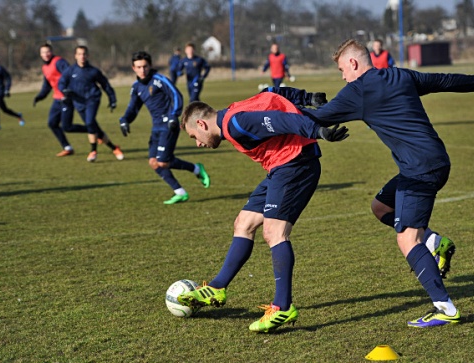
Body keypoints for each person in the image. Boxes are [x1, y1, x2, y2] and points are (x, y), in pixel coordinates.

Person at [268, 39, 474, 328]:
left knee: (407, 238)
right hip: (431, 162)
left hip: (420, 170)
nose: (343, 77)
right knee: (381, 207)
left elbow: (314, 117)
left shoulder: (358, 91)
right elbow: (443, 80)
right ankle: (435, 242)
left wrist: (272, 112)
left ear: (354, 64)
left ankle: (445, 308)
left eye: (343, 70)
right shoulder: (400, 75)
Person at [178, 91, 347, 333]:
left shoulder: (236, 124)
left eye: (195, 136)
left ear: (202, 124)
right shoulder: (233, 113)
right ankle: (216, 287)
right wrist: (307, 96)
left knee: (274, 231)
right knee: (243, 223)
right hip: (279, 167)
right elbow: (271, 93)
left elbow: (281, 122)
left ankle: (282, 307)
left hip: (296, 164)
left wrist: (318, 131)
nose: (198, 143)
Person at [119, 51, 210, 204]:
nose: (143, 70)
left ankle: (196, 169)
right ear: (133, 68)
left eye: (145, 66)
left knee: (162, 162)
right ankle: (180, 191)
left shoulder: (159, 80)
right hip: (156, 128)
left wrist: (174, 115)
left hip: (169, 125)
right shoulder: (136, 87)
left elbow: (176, 95)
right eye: (139, 67)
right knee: (154, 162)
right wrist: (125, 120)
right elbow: (133, 108)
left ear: (150, 66)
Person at [58, 45, 124, 162]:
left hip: (92, 100)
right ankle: (114, 148)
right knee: (93, 127)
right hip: (78, 102)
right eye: (79, 54)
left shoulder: (93, 71)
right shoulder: (70, 71)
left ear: (87, 56)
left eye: (84, 54)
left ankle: (93, 151)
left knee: (89, 123)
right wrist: (64, 90)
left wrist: (112, 99)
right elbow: (62, 82)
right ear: (75, 56)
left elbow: (105, 84)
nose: (82, 56)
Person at [33, 43, 89, 157]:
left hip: (66, 98)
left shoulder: (59, 62)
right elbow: (47, 85)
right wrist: (40, 96)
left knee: (66, 127)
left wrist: (68, 90)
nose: (46, 54)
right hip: (57, 99)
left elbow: (70, 74)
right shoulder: (44, 67)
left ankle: (93, 130)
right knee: (52, 123)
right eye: (43, 52)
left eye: (48, 51)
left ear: (51, 52)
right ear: (40, 54)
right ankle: (67, 147)